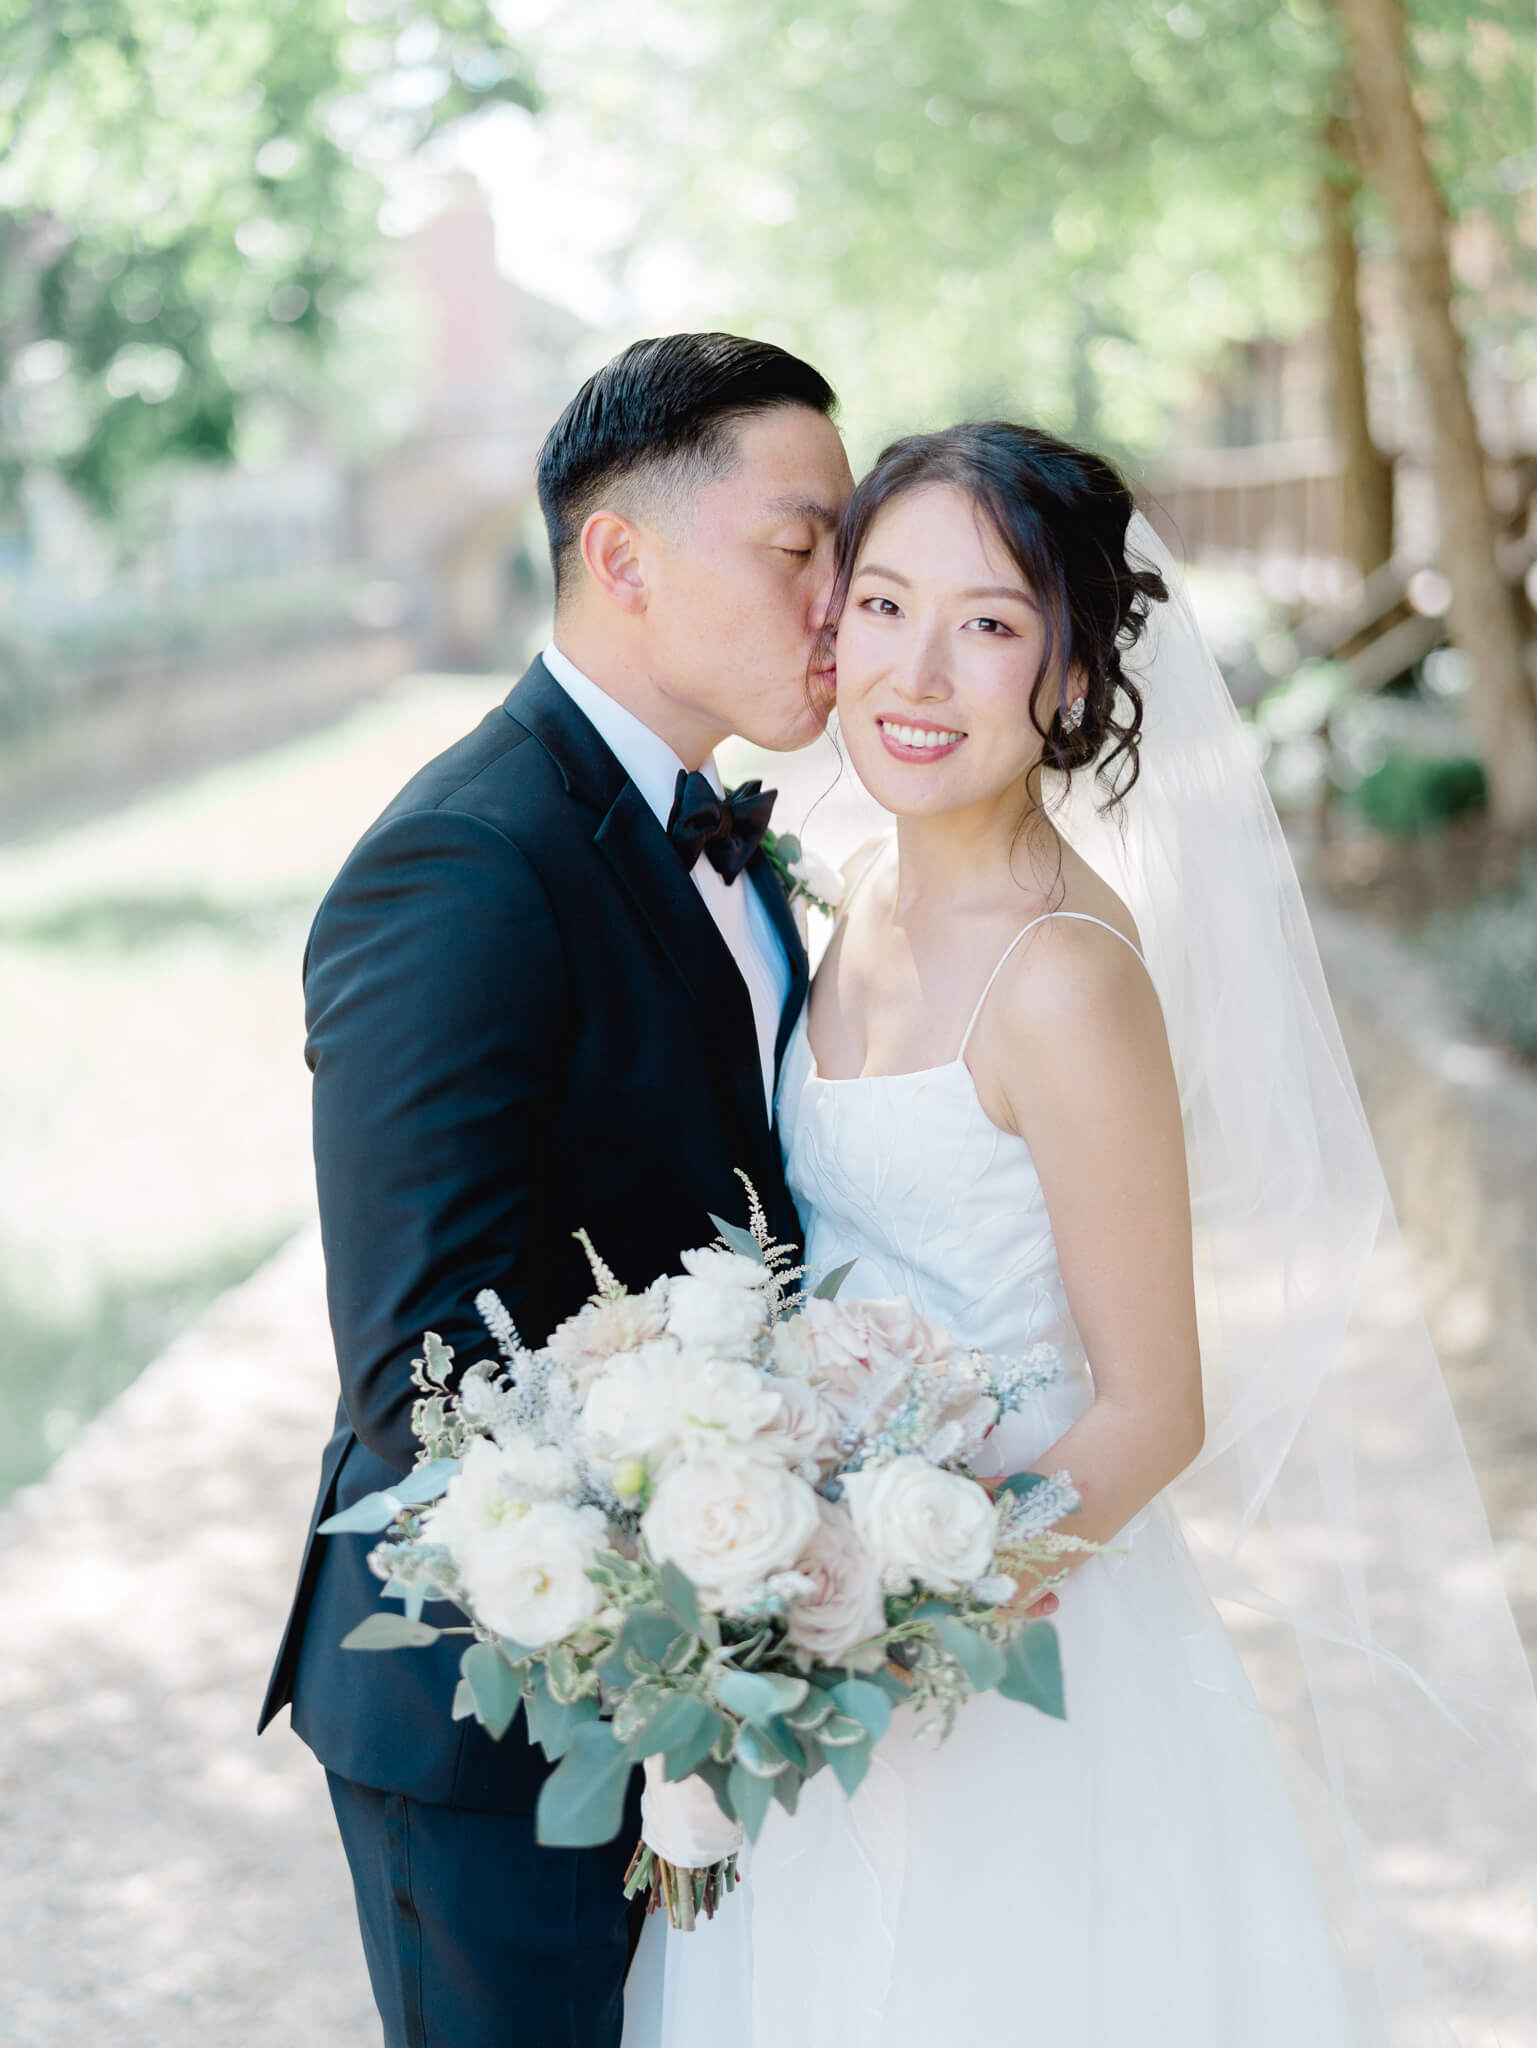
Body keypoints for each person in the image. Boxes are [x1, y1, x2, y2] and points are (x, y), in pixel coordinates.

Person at [625, 422, 1537, 2045]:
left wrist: (899, 1625)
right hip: (830, 1610)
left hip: (1007, 1648)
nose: (917, 669)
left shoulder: (1059, 974)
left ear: (1069, 674)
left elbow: (1153, 1406)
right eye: (885, 603)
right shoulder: (848, 888)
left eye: (987, 624)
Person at [258, 331, 854, 2048]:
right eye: (800, 545)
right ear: (622, 557)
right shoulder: (463, 857)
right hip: (488, 1711)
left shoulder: (716, 829)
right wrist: (702, 1546)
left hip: (712, 1675)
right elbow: (414, 1370)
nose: (837, 595)